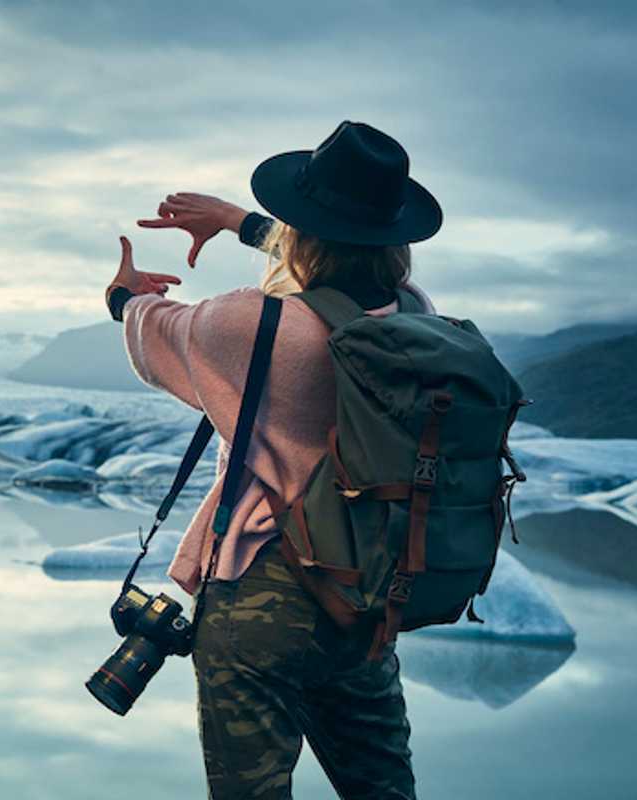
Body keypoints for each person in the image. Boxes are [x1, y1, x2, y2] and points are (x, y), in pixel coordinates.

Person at [102, 121, 443, 799]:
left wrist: (124, 293)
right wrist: (238, 223)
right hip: (364, 602)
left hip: (262, 595)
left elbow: (149, 331)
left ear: (304, 231)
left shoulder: (246, 326)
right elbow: (337, 281)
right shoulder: (416, 318)